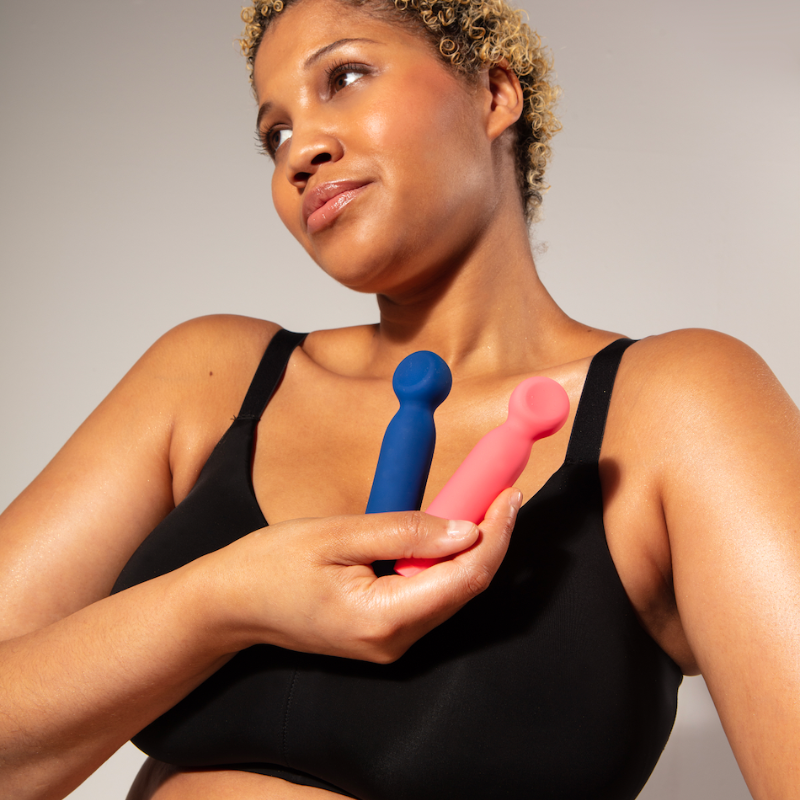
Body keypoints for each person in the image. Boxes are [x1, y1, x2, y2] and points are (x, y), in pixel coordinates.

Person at [0, 0, 798, 799]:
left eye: (344, 77)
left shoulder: (675, 409)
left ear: (494, 94)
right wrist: (225, 598)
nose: (299, 153)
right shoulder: (210, 379)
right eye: (274, 133)